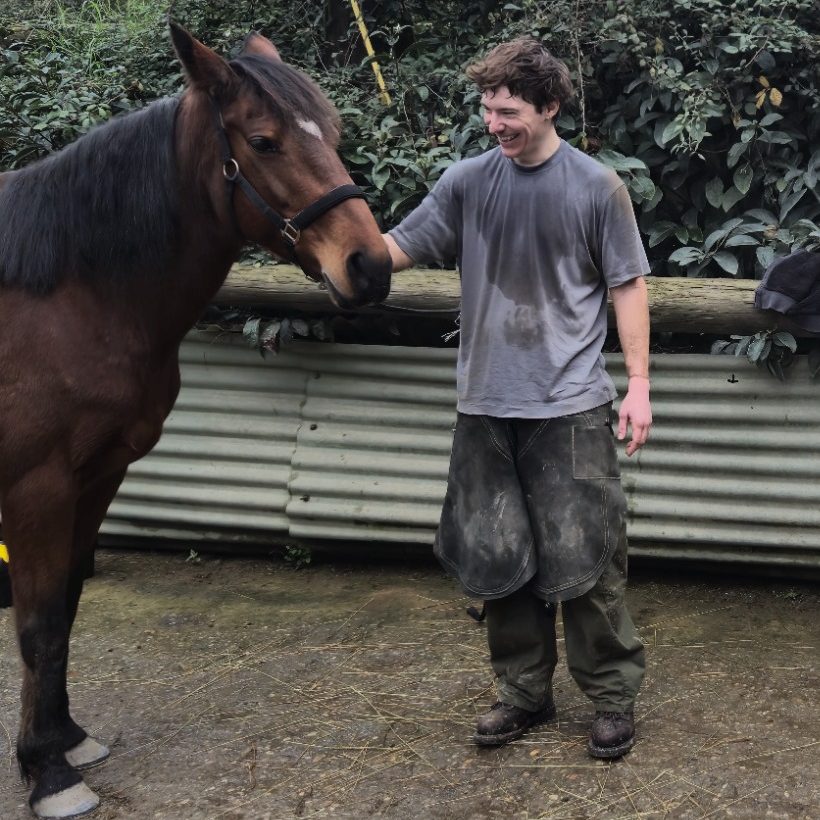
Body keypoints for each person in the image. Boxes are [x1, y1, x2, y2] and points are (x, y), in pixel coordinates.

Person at [383, 37, 652, 758]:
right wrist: (331, 245)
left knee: (590, 560)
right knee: (498, 560)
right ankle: (524, 693)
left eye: (507, 111)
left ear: (550, 106)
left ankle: (611, 697)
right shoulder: (467, 181)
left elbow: (628, 286)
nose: (493, 123)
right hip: (484, 407)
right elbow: (397, 247)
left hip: (571, 407)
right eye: (486, 109)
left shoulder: (597, 187)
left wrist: (639, 386)